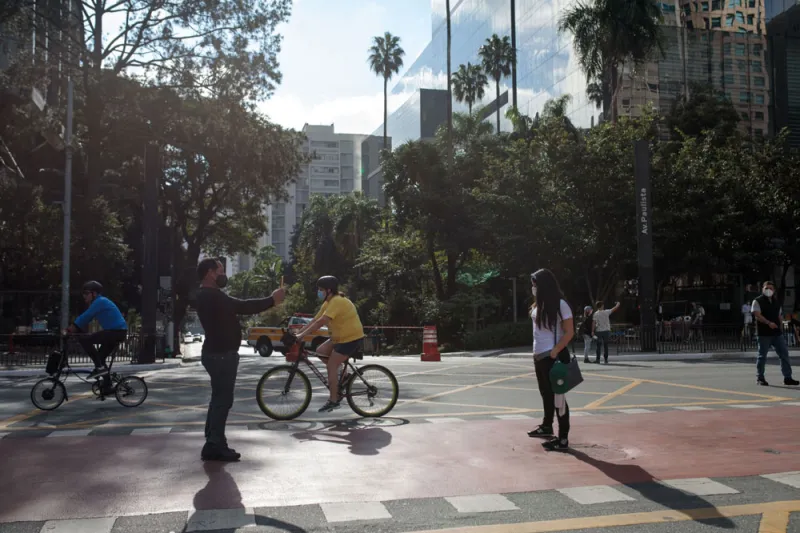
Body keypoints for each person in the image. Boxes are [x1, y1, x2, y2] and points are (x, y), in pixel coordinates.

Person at [195, 258, 285, 462]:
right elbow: (244, 306)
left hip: (217, 354)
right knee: (222, 400)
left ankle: (214, 441)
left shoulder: (208, 295)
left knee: (218, 398)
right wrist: (272, 299)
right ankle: (214, 445)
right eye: (220, 270)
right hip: (221, 355)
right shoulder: (211, 296)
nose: (223, 274)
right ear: (210, 273)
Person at [293, 276, 365, 413]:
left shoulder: (337, 301)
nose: (318, 292)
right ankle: (345, 376)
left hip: (351, 338)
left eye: (320, 290)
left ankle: (333, 400)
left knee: (332, 365)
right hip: (339, 337)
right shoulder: (328, 302)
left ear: (329, 290)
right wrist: (298, 333)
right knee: (320, 350)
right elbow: (315, 320)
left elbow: (322, 322)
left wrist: (301, 336)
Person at [526, 269, 574, 452]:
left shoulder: (561, 304)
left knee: (559, 398)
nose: (533, 287)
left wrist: (555, 351)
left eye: (535, 284)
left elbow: (569, 331)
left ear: (543, 285)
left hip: (553, 357)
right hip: (539, 356)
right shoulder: (539, 304)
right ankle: (547, 426)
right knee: (546, 393)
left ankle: (562, 438)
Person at [65, 281, 128, 382]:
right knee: (100, 358)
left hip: (115, 332)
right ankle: (108, 386)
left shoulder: (100, 301)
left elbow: (86, 316)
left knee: (85, 340)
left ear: (94, 293)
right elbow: (87, 319)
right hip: (116, 332)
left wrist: (70, 329)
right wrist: (76, 329)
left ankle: (99, 368)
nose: (84, 296)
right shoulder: (98, 303)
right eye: (83, 294)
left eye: (86, 293)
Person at [752, 281, 798, 387]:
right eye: (766, 288)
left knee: (784, 355)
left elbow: (779, 316)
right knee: (762, 356)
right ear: (762, 289)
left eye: (771, 288)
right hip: (764, 333)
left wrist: (781, 327)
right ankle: (760, 378)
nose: (769, 290)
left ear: (774, 290)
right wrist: (768, 323)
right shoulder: (757, 301)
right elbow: (757, 315)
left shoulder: (776, 301)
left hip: (777, 333)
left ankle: (788, 378)